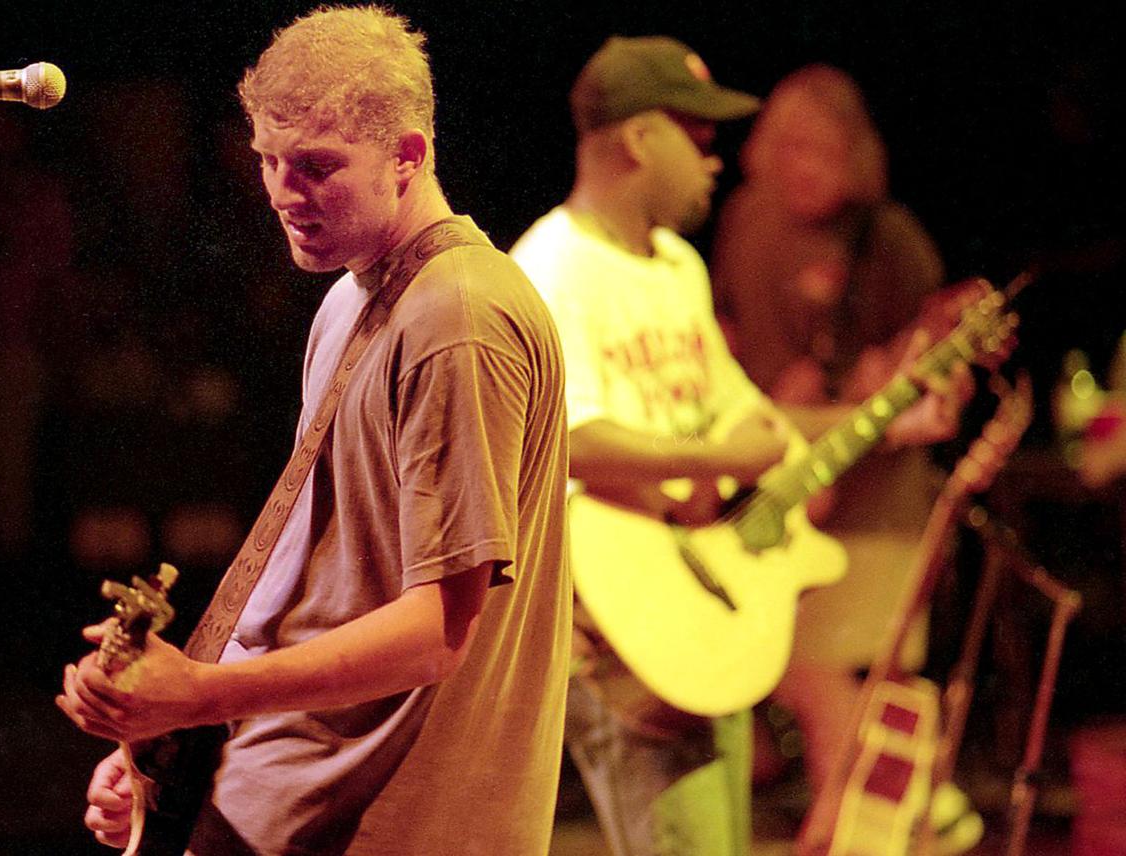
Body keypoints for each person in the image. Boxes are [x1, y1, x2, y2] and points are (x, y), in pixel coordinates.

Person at [56, 7, 571, 855]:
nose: (283, 192)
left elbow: (437, 631)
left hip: (393, 821)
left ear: (408, 155)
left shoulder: (459, 318)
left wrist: (200, 697)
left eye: (317, 166)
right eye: (268, 160)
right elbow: (305, 574)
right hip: (292, 797)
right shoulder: (351, 297)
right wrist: (171, 742)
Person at [511, 37, 967, 856]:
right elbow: (564, 439)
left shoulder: (678, 267)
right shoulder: (553, 267)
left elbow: (751, 422)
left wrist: (885, 417)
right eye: (697, 135)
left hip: (703, 605)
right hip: (616, 628)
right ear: (639, 139)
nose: (716, 158)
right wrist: (719, 459)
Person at [709, 64, 982, 854]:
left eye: (823, 151)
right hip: (784, 481)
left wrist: (888, 377)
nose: (804, 167)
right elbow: (726, 328)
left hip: (875, 500)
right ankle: (917, 809)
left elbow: (937, 371)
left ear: (855, 155)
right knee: (792, 669)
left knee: (837, 670)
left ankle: (876, 824)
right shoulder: (746, 220)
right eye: (789, 147)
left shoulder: (889, 240)